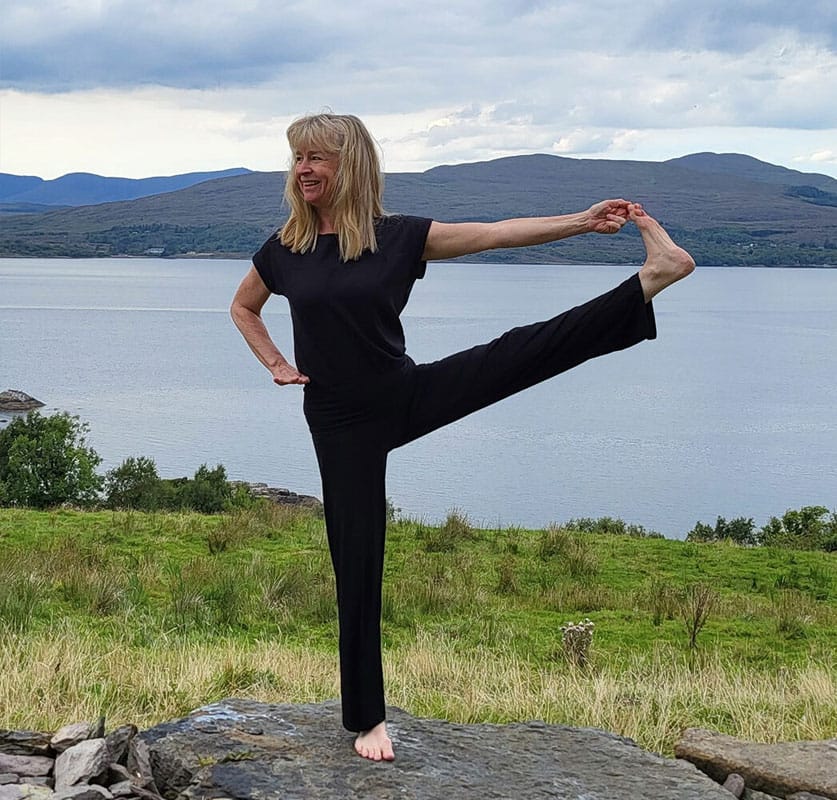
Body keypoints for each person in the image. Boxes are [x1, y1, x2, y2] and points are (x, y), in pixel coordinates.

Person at [230, 112, 695, 762]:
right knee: (356, 559)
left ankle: (653, 277)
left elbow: (495, 234)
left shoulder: (398, 238)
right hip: (337, 421)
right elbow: (242, 306)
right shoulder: (284, 249)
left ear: (350, 165)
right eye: (297, 157)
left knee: (518, 352)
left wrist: (580, 221)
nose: (304, 169)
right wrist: (276, 364)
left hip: (401, 392)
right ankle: (367, 720)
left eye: (317, 157)